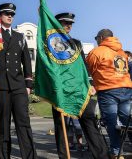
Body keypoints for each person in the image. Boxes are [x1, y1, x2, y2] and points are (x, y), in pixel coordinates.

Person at [0, 3, 37, 159]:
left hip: (19, 85)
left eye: (12, 14)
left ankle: (30, 156)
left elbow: (26, 61)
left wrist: (28, 84)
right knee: (3, 126)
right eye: (6, 13)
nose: (10, 16)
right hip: (1, 85)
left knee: (24, 124)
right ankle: (3, 156)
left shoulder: (20, 37)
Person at [52, 13, 109, 159]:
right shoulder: (50, 42)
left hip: (80, 89)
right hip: (61, 90)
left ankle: (101, 155)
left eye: (70, 23)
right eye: (65, 23)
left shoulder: (76, 43)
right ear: (57, 24)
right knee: (62, 126)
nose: (69, 25)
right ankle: (64, 156)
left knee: (89, 121)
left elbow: (83, 66)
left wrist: (89, 84)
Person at [86, 29, 132, 158]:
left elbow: (88, 69)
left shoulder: (97, 52)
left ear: (101, 38)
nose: (96, 41)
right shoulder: (121, 52)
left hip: (108, 90)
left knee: (111, 122)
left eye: (96, 38)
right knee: (127, 122)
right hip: (126, 89)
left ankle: (117, 153)